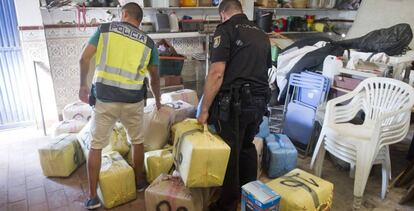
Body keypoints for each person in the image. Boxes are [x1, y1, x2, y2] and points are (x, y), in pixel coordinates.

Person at [78, 2, 161, 209]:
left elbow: (84, 58)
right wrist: (158, 99)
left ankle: (91, 197)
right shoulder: (149, 43)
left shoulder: (105, 30)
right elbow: (155, 78)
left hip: (105, 99)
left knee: (96, 145)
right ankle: (140, 183)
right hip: (133, 101)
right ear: (139, 20)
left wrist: (83, 86)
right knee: (137, 141)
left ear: (124, 14)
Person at [197, 0, 271, 210]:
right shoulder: (260, 32)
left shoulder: (226, 30)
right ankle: (250, 196)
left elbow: (217, 73)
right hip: (258, 102)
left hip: (235, 104)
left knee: (229, 153)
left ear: (223, 14)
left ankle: (227, 205)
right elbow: (264, 70)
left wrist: (204, 110)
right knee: (247, 147)